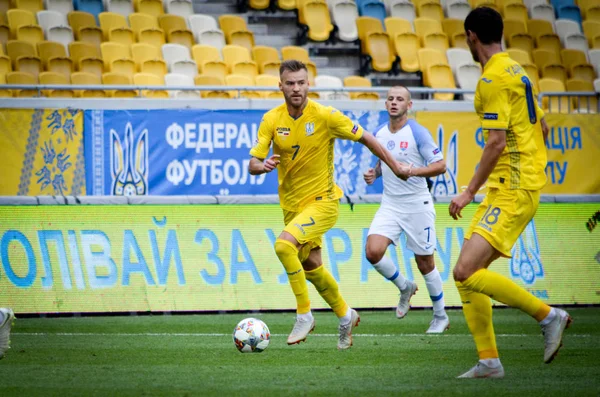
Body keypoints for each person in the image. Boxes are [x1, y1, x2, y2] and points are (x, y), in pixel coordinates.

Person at [248, 60, 410, 350]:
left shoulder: (325, 116)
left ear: (308, 84)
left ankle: (303, 314)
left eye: (301, 82)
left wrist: (394, 165)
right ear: (280, 85)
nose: (296, 88)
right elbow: (253, 163)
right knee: (311, 267)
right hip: (292, 207)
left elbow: (367, 138)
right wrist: (261, 167)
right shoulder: (271, 120)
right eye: (290, 83)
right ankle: (346, 315)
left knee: (284, 246)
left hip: (323, 203)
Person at [449, 7, 571, 378]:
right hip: (516, 184)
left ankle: (549, 316)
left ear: (471, 36)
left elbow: (496, 143)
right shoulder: (519, 69)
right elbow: (544, 126)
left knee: (465, 270)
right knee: (468, 274)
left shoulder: (492, 80)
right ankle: (489, 361)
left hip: (512, 188)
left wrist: (469, 191)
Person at [363, 86, 449, 334]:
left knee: (425, 263)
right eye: (390, 99)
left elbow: (440, 165)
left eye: (399, 99)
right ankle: (404, 287)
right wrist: (375, 173)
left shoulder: (418, 133)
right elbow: (385, 162)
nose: (393, 102)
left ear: (409, 106)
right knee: (373, 251)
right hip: (390, 204)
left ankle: (440, 315)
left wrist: (411, 171)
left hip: (416, 204)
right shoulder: (379, 133)